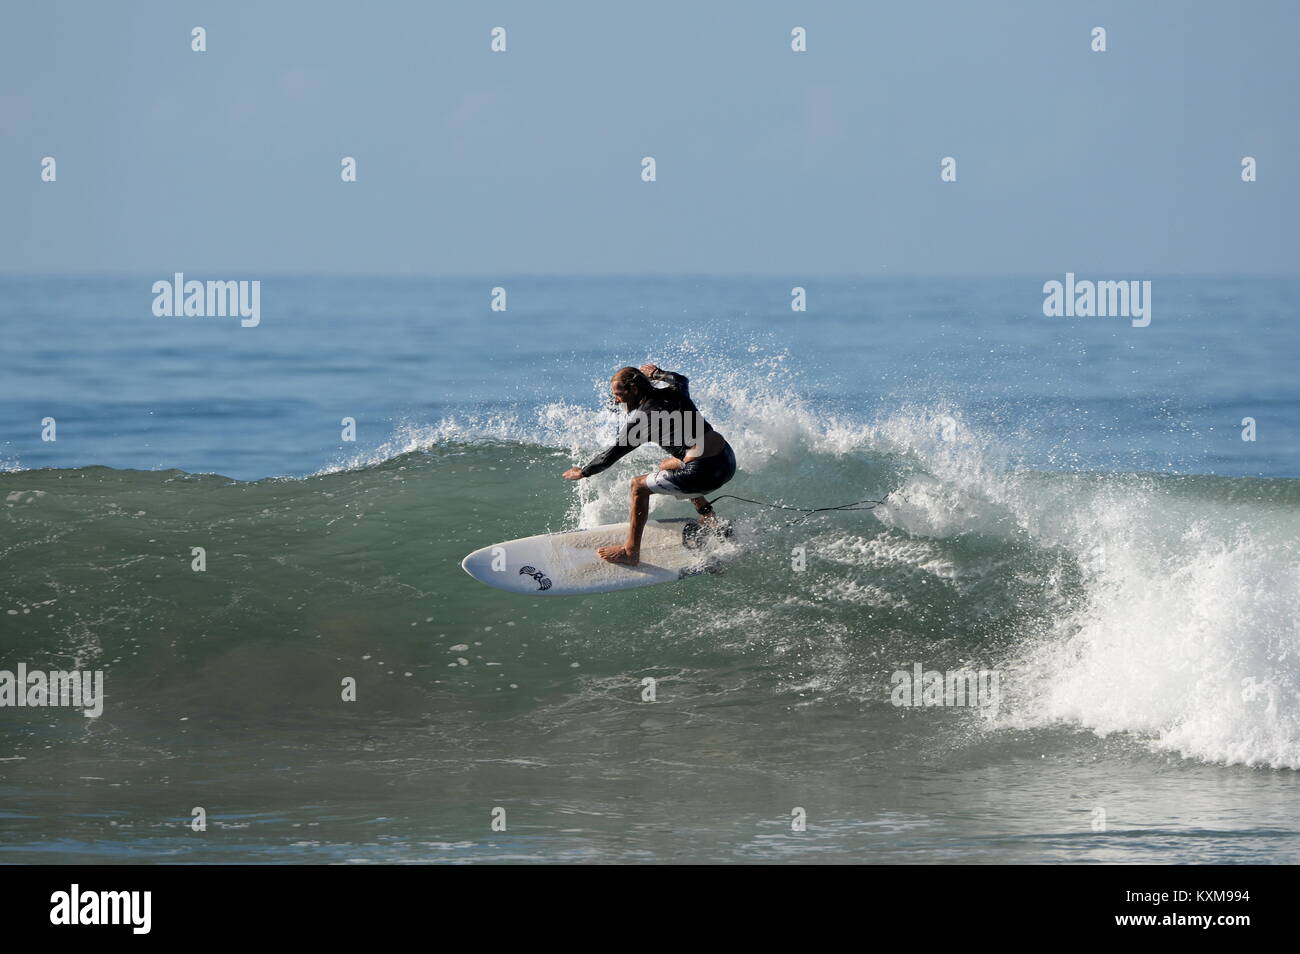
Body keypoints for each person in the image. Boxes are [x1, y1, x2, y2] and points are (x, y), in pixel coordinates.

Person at [563, 363, 737, 565]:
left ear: (634, 389)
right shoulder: (675, 392)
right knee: (667, 465)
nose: (617, 400)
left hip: (703, 472)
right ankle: (710, 519)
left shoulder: (642, 420)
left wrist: (583, 472)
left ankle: (630, 552)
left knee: (638, 486)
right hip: (726, 459)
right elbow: (681, 379)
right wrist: (658, 373)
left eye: (619, 394)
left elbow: (608, 457)